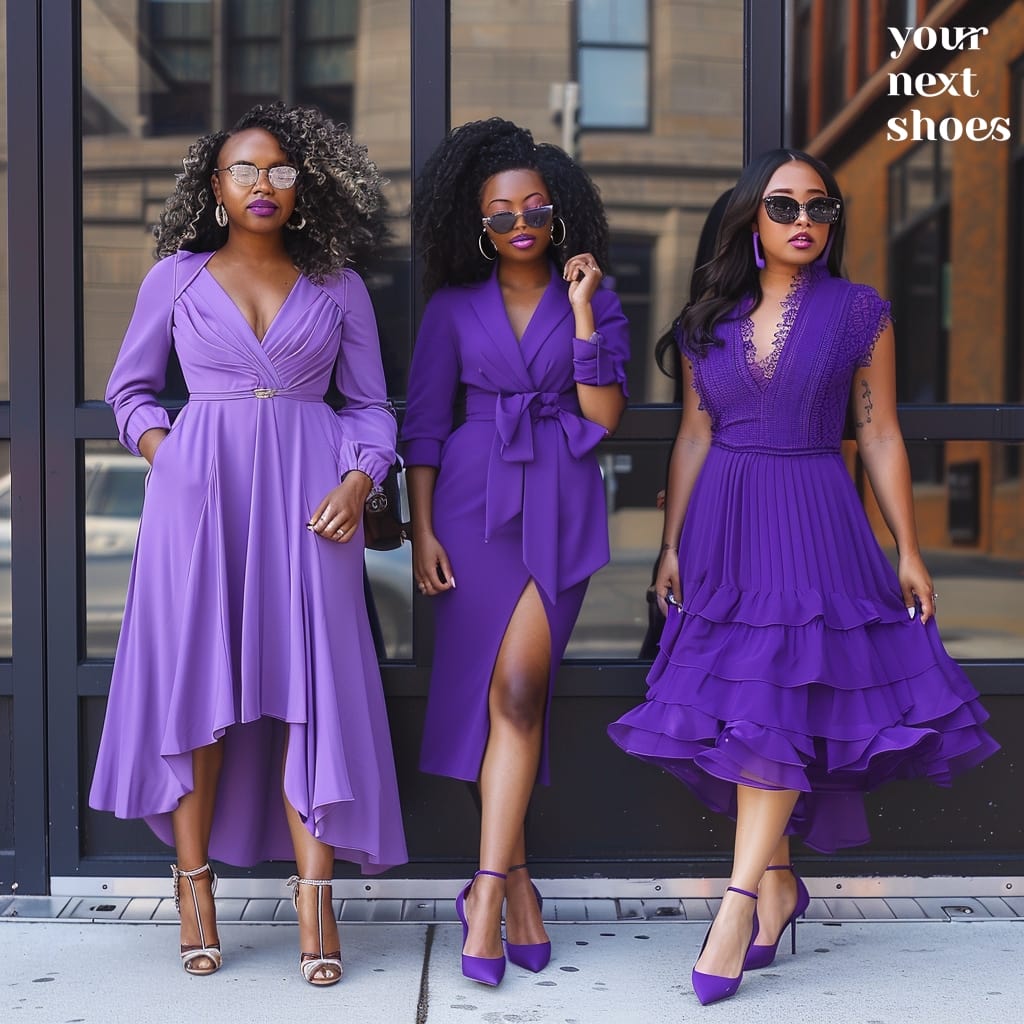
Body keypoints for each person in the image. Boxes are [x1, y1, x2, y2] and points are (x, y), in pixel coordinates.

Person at [608, 149, 999, 1006]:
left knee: (778, 704)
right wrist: (671, 543)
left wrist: (909, 546)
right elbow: (694, 437)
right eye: (784, 207)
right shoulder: (709, 319)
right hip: (724, 526)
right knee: (753, 709)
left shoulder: (861, 313)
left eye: (820, 208)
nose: (804, 222)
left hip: (815, 516)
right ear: (752, 217)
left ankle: (740, 902)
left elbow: (883, 435)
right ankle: (777, 884)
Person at [89, 102, 408, 985]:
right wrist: (169, 457)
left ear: (304, 188)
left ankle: (317, 901)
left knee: (314, 695)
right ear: (216, 190)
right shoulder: (176, 280)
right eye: (243, 171)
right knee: (200, 694)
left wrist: (358, 480)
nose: (262, 185)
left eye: (279, 170)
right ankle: (195, 892)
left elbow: (372, 407)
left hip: (315, 508)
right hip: (201, 506)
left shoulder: (339, 284)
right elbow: (131, 393)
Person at [402, 118, 630, 986]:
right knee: (486, 699)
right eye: (499, 212)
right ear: (477, 223)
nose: (518, 221)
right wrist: (422, 528)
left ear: (559, 210)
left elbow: (604, 417)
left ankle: (486, 891)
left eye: (533, 206)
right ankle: (517, 887)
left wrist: (579, 312)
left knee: (522, 689)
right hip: (467, 504)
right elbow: (424, 426)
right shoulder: (450, 309)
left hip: (561, 495)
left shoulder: (596, 297)